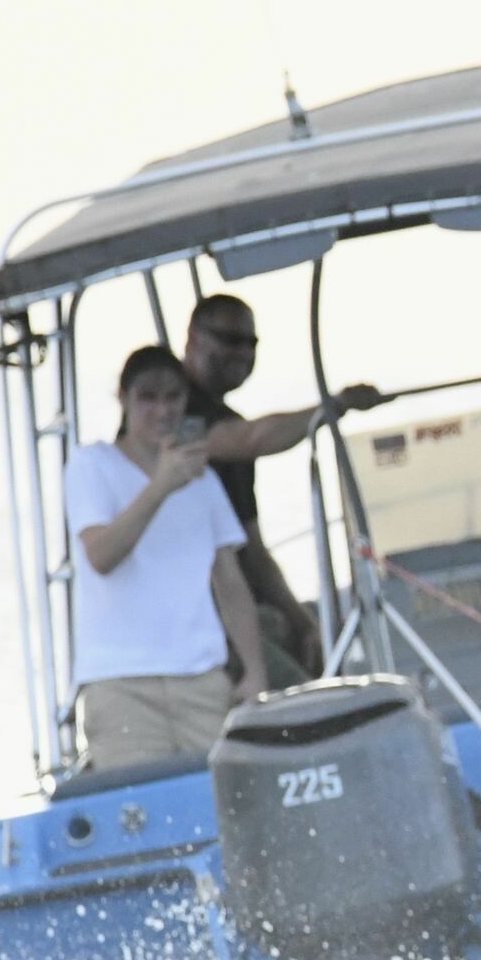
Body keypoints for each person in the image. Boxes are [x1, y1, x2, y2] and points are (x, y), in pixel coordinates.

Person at [66, 347, 268, 771]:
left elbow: (230, 582)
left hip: (202, 679)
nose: (162, 410)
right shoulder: (91, 465)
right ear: (123, 398)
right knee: (139, 801)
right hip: (121, 686)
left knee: (224, 795)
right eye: (148, 397)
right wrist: (161, 486)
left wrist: (254, 671)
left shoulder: (202, 478)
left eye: (173, 397)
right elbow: (101, 556)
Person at [181, 294, 386, 686]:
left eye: (251, 343)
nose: (242, 353)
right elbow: (250, 439)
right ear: (193, 338)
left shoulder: (224, 421)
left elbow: (252, 549)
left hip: (243, 606)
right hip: (200, 619)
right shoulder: (176, 416)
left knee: (323, 666)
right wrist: (335, 406)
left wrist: (304, 622)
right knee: (306, 698)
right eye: (230, 339)